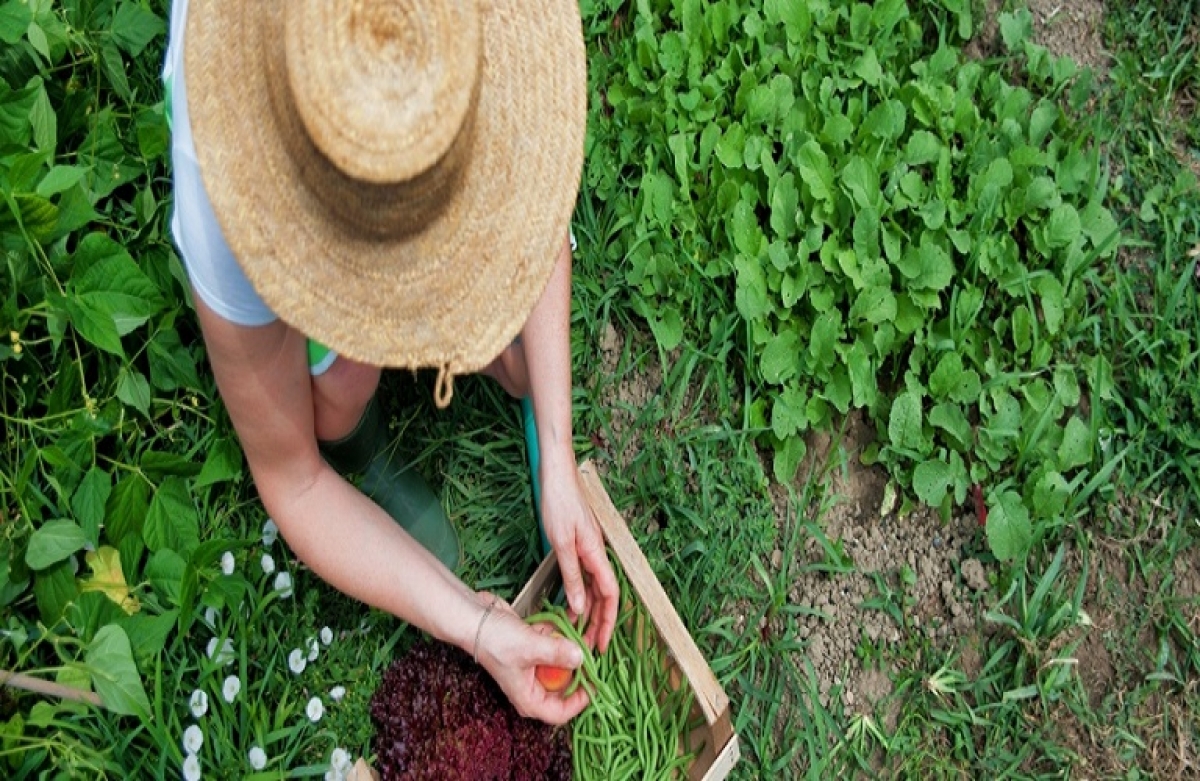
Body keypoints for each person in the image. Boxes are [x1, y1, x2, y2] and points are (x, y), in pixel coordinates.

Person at [163, 0, 618, 725]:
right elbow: (293, 478)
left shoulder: (490, 39)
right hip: (282, 198)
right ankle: (365, 442)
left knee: (529, 362)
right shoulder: (225, 195)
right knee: (341, 390)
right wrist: (470, 621)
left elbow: (538, 207)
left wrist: (558, 456)